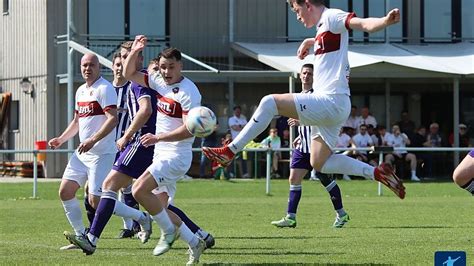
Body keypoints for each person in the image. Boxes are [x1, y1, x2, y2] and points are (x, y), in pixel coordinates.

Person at [203, 0, 405, 199]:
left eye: (297, 10)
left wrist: (385, 21)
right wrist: (310, 42)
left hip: (330, 101)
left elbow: (363, 24)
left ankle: (230, 151)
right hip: (335, 106)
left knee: (269, 102)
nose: (297, 16)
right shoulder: (323, 29)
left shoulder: (332, 16)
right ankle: (378, 173)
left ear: (308, 4)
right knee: (319, 163)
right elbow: (327, 40)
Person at [125, 38, 206, 263]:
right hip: (161, 153)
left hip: (176, 155)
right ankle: (195, 241)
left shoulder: (189, 92)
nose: (167, 71)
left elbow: (189, 131)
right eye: (163, 67)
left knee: (138, 190)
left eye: (171, 67)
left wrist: (158, 137)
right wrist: (135, 50)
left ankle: (168, 233)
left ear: (180, 66)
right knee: (159, 208)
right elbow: (129, 73)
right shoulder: (159, 82)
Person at [48, 53, 118, 249]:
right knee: (65, 191)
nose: (88, 68)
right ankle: (81, 235)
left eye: (92, 65)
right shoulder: (80, 91)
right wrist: (61, 139)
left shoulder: (105, 88)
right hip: (82, 153)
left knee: (96, 201)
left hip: (101, 153)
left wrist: (92, 140)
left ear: (98, 67)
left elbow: (113, 119)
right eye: (84, 65)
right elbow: (77, 121)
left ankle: (139, 217)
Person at [271, 63, 349, 228]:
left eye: (310, 74)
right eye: (304, 73)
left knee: (325, 180)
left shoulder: (319, 96)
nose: (306, 76)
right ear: (300, 75)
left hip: (317, 148)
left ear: (315, 77)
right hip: (302, 148)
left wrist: (300, 122)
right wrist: (300, 136)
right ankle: (290, 217)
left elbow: (322, 119)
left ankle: (341, 214)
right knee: (294, 179)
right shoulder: (299, 96)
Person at [228, 105, 250, 178]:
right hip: (234, 142)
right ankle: (232, 173)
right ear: (234, 112)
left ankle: (245, 173)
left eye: (239, 111)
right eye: (236, 111)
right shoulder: (231, 119)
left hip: (243, 142)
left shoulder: (244, 119)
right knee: (232, 158)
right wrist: (241, 127)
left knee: (243, 158)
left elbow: (247, 128)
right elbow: (234, 128)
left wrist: (239, 126)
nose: (238, 112)